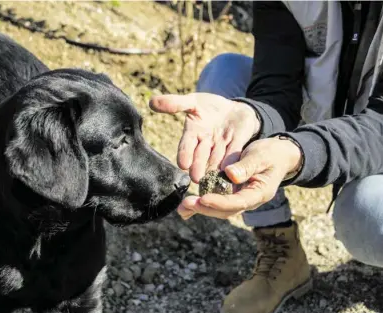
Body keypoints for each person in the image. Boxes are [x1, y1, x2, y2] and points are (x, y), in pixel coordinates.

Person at [150, 2, 383, 313]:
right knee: (226, 77)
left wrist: (298, 151)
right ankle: (280, 250)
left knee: (366, 214)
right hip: (329, 119)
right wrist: (251, 114)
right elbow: (276, 86)